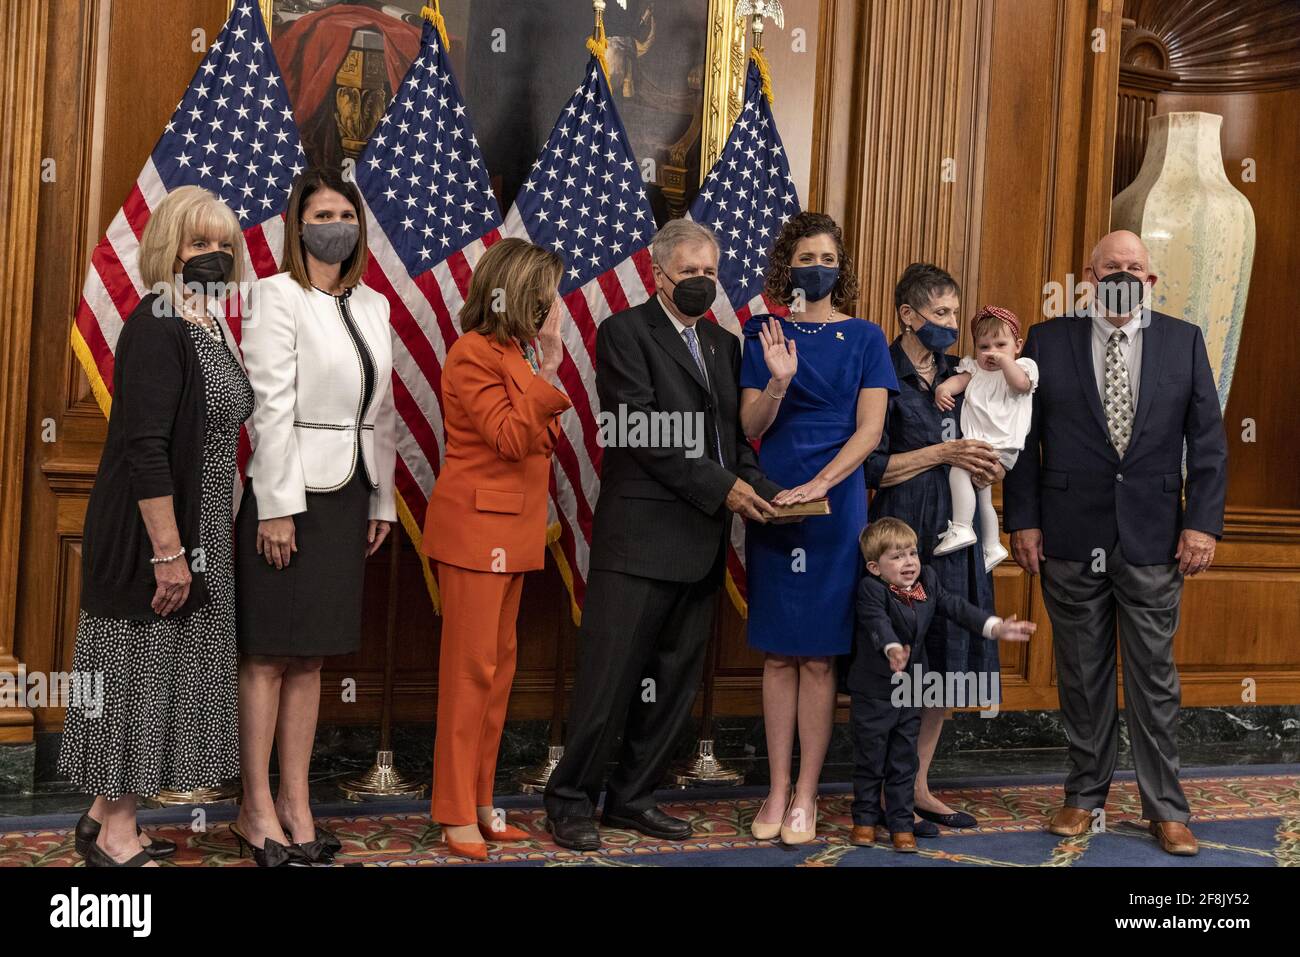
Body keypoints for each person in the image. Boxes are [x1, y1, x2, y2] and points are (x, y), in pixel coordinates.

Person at [543, 219, 782, 851]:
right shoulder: (624, 333)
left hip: (701, 541)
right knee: (609, 681)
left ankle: (632, 797)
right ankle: (570, 800)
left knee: (673, 686)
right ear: (659, 275)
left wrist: (758, 487)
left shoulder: (727, 346)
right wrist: (724, 488)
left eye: (711, 273)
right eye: (691, 273)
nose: (703, 283)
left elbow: (732, 438)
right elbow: (643, 432)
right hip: (638, 541)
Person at [1004, 229, 1227, 856]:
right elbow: (1024, 442)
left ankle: (1167, 810)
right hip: (1069, 535)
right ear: (1089, 277)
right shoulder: (1049, 341)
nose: (1123, 275)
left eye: (1135, 267)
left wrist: (1202, 524)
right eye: (1111, 268)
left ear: (1150, 281)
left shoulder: (1184, 341)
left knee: (1155, 677)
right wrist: (1023, 519)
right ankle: (1083, 797)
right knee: (1081, 674)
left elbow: (1207, 442)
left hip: (1156, 538)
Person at [58, 185, 252, 866]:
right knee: (134, 677)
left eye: (223, 244)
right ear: (169, 247)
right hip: (154, 539)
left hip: (200, 538)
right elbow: (144, 445)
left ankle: (104, 816)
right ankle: (115, 835)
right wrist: (170, 553)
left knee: (157, 677)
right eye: (199, 242)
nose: (214, 254)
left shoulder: (208, 322)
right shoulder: (157, 321)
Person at [233, 168, 397, 866]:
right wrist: (275, 506)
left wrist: (383, 497)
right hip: (289, 495)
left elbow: (381, 413)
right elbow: (268, 404)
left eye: (346, 212)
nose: (336, 221)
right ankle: (254, 806)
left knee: (312, 656)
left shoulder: (375, 308)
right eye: (322, 211)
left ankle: (297, 803)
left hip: (348, 494)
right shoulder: (276, 296)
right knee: (268, 653)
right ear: (297, 225)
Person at [738, 211, 897, 844]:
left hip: (837, 503)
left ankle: (807, 796)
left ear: (841, 267)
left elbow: (871, 429)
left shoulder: (865, 336)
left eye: (826, 257)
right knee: (779, 653)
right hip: (775, 499)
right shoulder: (762, 331)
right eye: (804, 257)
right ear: (787, 265)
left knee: (820, 659)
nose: (816, 267)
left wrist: (825, 483)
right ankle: (776, 791)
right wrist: (778, 381)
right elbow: (750, 425)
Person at [421, 238, 572, 861]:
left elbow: (539, 435)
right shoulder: (472, 354)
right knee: (468, 674)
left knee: (497, 673)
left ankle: (482, 802)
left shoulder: (515, 352)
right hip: (475, 534)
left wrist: (541, 368)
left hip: (514, 532)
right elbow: (512, 439)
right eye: (546, 293)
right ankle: (453, 809)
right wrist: (555, 364)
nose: (552, 305)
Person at [863, 263, 1003, 834]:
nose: (951, 323)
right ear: (907, 315)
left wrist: (989, 462)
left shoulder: (961, 372)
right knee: (895, 662)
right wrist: (941, 456)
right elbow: (871, 465)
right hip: (899, 528)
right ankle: (878, 792)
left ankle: (918, 786)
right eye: (940, 314)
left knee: (944, 659)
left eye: (953, 312)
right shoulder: (879, 370)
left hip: (955, 533)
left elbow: (999, 422)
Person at [848, 518, 1034, 851]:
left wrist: (994, 627)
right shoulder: (869, 588)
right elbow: (877, 623)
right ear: (875, 567)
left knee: (905, 759)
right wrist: (891, 649)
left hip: (912, 689)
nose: (909, 562)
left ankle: (902, 825)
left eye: (912, 554)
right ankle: (864, 820)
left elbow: (956, 607)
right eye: (897, 557)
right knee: (871, 758)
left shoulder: (929, 581)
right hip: (874, 691)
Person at [932, 305, 1039, 569]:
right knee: (982, 493)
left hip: (1002, 443)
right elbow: (960, 382)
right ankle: (991, 545)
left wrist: (1005, 362)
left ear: (1018, 345)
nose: (991, 353)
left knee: (958, 472)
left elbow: (1020, 384)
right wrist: (943, 388)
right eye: (984, 347)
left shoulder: (1023, 367)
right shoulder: (975, 369)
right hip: (981, 441)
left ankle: (961, 527)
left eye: (1001, 344)